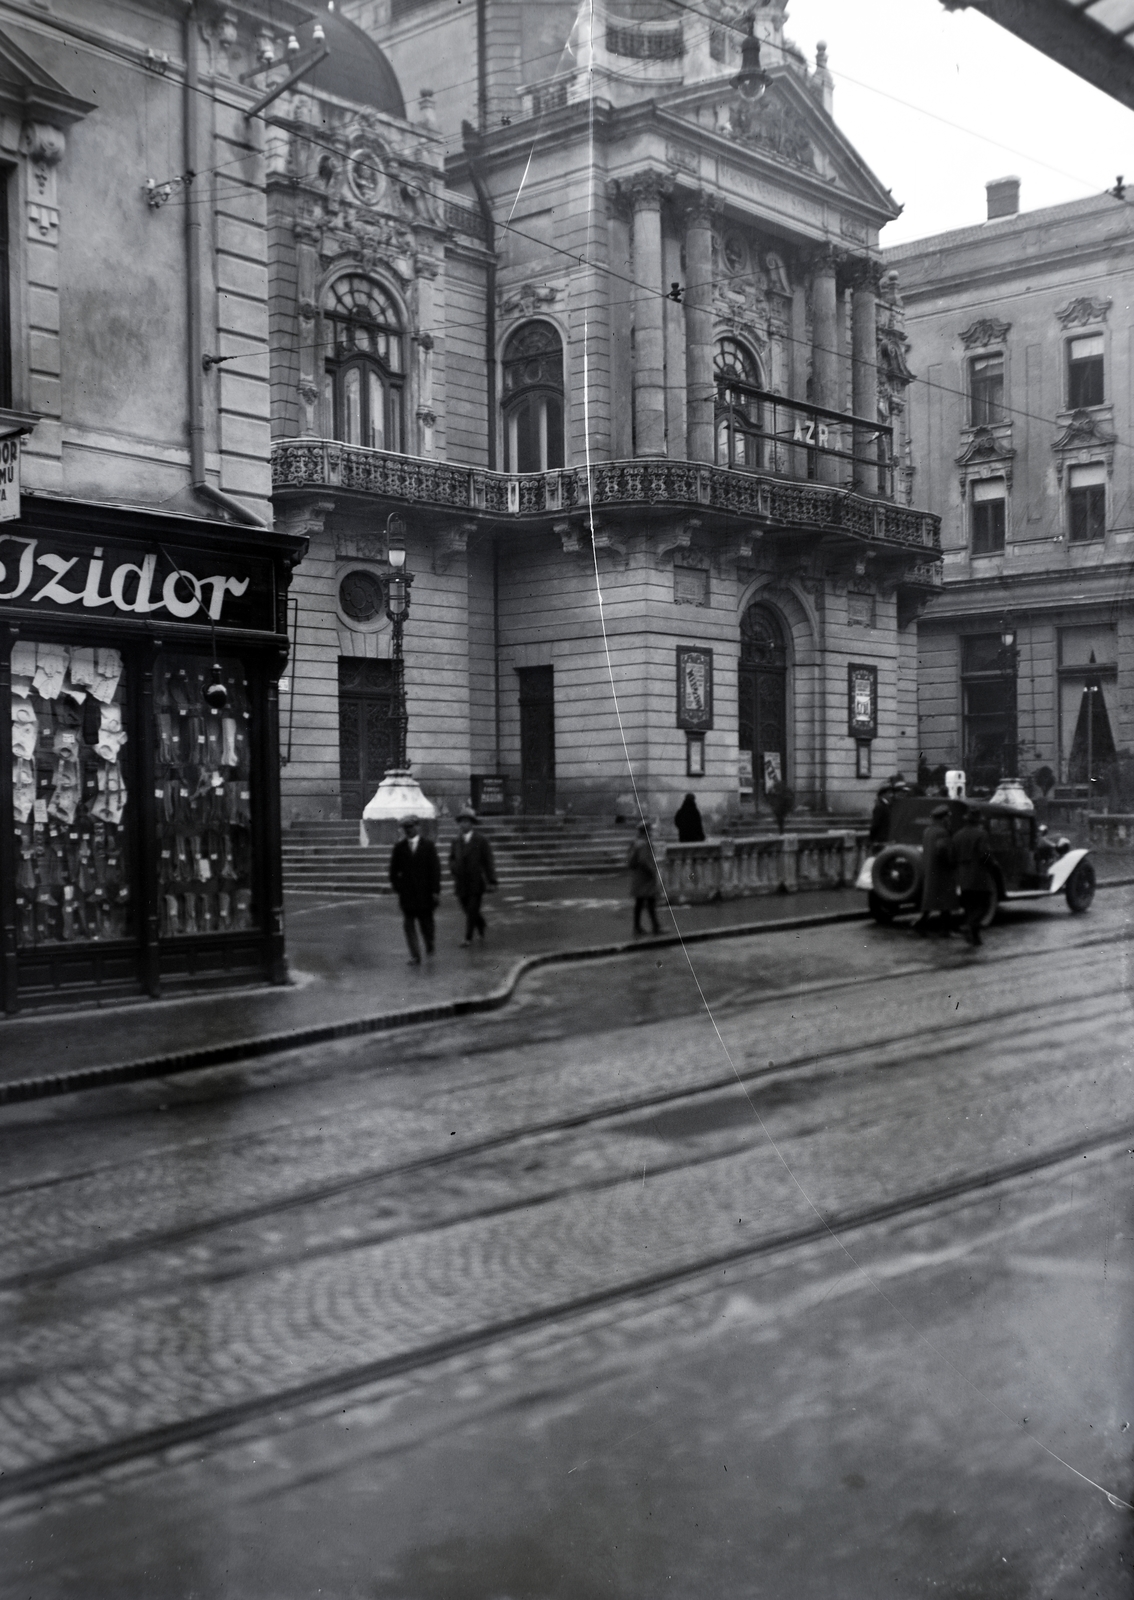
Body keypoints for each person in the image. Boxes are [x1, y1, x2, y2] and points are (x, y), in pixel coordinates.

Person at [388, 815, 441, 964]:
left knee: (427, 925)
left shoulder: (428, 846)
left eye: (411, 827)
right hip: (408, 896)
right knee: (409, 926)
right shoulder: (399, 848)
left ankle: (429, 944)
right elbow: (393, 872)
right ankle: (415, 955)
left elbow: (435, 870)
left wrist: (435, 891)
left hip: (425, 895)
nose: (408, 830)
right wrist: (400, 888)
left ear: (418, 827)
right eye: (405, 828)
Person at [449, 805, 497, 946]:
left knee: (472, 909)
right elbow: (451, 858)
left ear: (472, 824)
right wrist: (453, 867)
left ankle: (468, 938)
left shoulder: (480, 840)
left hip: (475, 882)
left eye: (466, 822)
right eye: (461, 822)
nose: (463, 825)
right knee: (467, 908)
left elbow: (488, 861)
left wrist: (492, 880)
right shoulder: (456, 841)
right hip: (461, 882)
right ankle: (480, 923)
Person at [952, 806, 996, 946]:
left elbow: (953, 856)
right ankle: (969, 926)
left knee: (969, 907)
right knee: (984, 904)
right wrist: (991, 864)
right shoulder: (981, 834)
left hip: (962, 876)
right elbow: (985, 853)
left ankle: (975, 938)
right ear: (978, 821)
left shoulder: (957, 835)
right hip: (978, 874)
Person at [914, 803, 956, 934]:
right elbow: (943, 850)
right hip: (942, 871)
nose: (949, 820)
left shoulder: (927, 831)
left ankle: (923, 924)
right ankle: (944, 929)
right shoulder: (942, 832)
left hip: (930, 869)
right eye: (947, 817)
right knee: (946, 901)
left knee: (931, 900)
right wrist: (952, 862)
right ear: (944, 818)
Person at [628, 820, 661, 936]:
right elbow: (644, 860)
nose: (651, 832)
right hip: (645, 878)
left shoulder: (636, 842)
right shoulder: (645, 844)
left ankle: (637, 927)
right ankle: (655, 927)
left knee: (639, 902)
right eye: (650, 830)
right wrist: (653, 871)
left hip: (638, 876)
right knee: (651, 902)